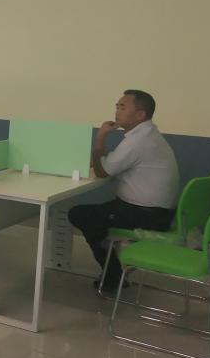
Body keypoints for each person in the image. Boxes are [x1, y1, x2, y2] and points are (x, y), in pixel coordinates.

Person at [68, 90, 179, 291]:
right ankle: (113, 261)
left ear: (140, 115)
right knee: (93, 216)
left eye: (123, 107)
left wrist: (101, 136)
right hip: (155, 211)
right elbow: (109, 164)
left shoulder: (138, 141)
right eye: (117, 106)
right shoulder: (146, 135)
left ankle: (113, 275)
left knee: (80, 214)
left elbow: (102, 171)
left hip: (147, 214)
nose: (117, 111)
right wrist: (101, 159)